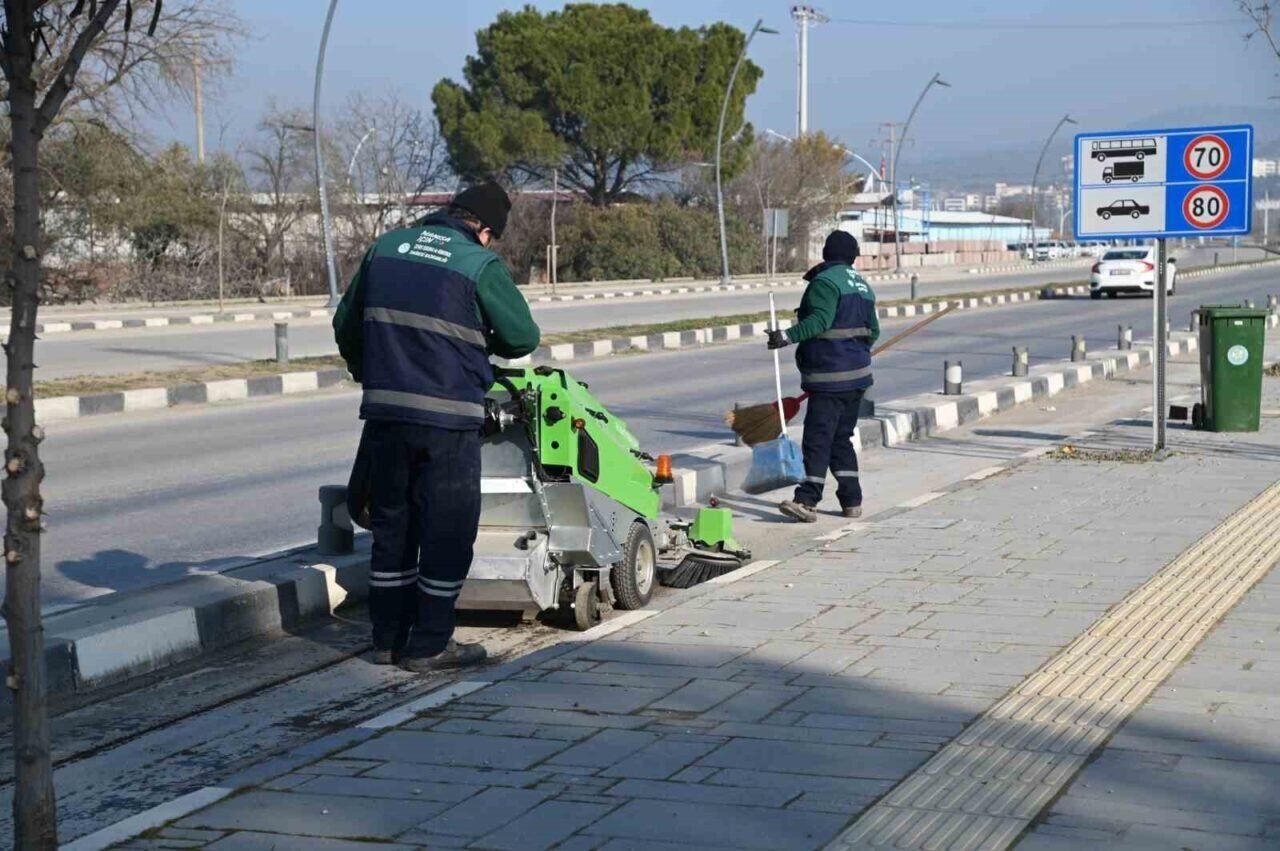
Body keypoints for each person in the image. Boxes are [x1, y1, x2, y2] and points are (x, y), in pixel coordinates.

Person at [333, 181, 541, 671]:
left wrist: (372, 372)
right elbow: (521, 337)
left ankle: (386, 640)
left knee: (394, 527)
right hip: (447, 422)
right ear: (485, 230)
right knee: (446, 532)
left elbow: (346, 325)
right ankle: (428, 645)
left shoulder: (386, 247)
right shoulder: (477, 264)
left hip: (385, 417)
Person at [766, 230, 878, 523]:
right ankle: (852, 500)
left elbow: (820, 321)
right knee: (841, 438)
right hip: (857, 378)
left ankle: (807, 500)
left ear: (827, 254)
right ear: (853, 256)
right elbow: (874, 331)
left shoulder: (825, 282)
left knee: (818, 439)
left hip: (830, 377)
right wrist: (855, 353)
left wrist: (785, 336)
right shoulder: (863, 286)